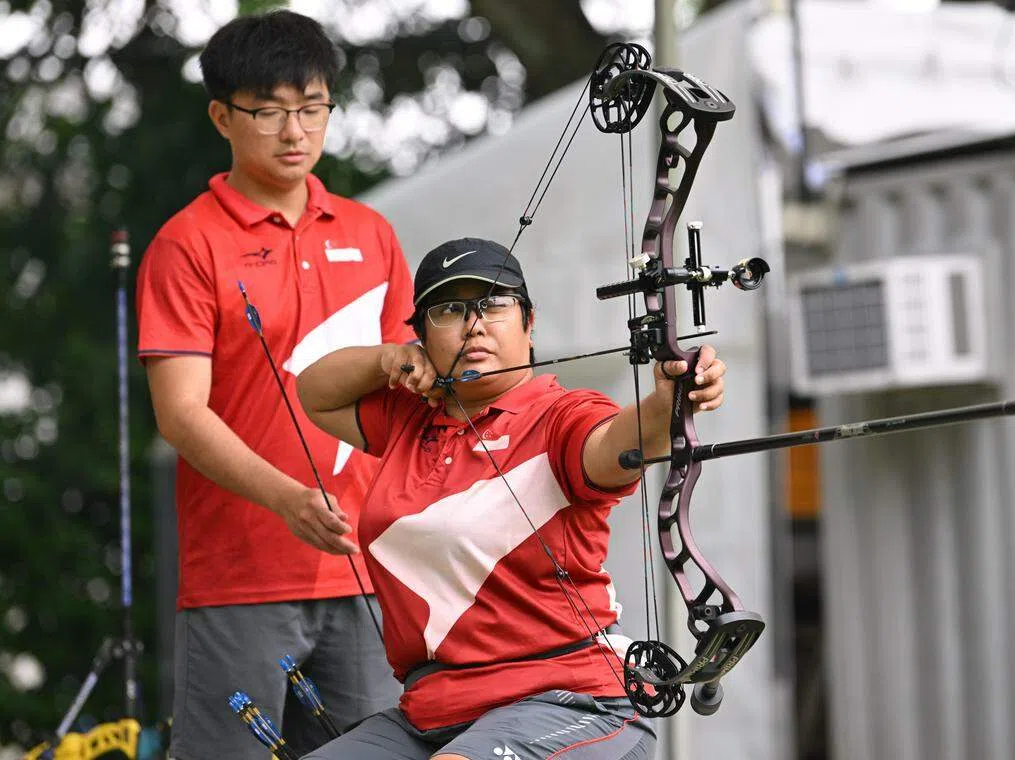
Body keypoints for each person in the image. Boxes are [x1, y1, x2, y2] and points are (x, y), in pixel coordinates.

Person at [294, 238, 728, 760]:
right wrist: (387, 359)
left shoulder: (561, 416)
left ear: (528, 320)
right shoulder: (406, 420)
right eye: (449, 309)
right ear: (421, 337)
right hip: (431, 715)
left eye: (494, 303)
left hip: (575, 702)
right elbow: (314, 392)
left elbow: (619, 443)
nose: (474, 323)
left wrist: (670, 399)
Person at [135, 10, 413, 758]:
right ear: (222, 116)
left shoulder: (372, 234)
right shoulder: (186, 243)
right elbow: (180, 414)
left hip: (364, 570)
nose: (295, 131)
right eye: (268, 112)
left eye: (312, 107)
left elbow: (412, 391)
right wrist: (286, 499)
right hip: (239, 579)